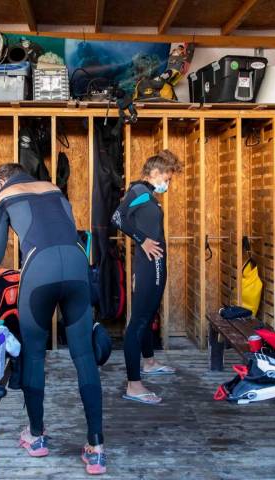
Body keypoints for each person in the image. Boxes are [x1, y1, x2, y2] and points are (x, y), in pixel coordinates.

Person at [0, 163, 107, 474]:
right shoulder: (53, 188)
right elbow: (69, 231)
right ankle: (96, 447)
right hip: (76, 265)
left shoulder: (5, 193)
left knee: (33, 355)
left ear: (2, 179)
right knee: (84, 355)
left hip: (39, 270)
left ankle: (35, 436)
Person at [112, 150, 182, 405]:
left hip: (154, 265)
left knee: (148, 316)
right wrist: (142, 241)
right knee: (138, 322)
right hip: (148, 266)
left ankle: (150, 362)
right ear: (155, 173)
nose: (169, 183)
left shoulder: (147, 194)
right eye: (168, 178)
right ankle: (134, 385)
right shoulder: (140, 190)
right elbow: (117, 218)